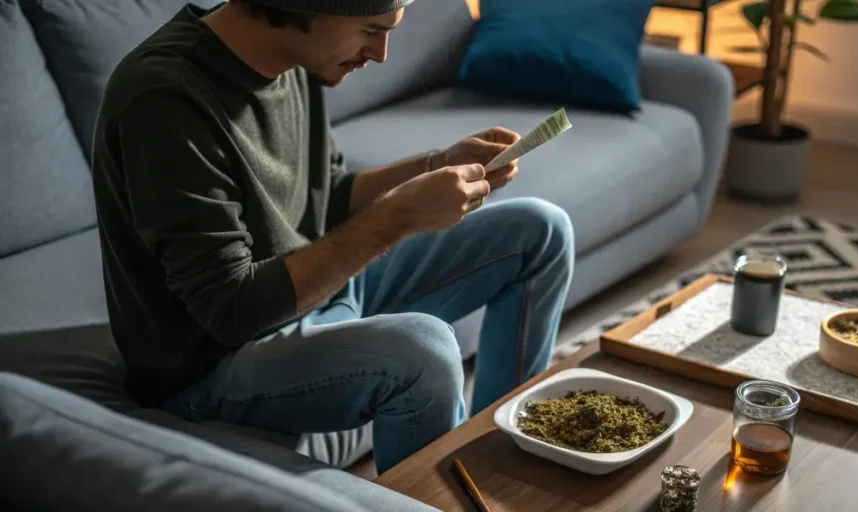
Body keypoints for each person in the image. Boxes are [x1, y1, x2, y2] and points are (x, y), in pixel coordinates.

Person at [90, 0, 574, 474]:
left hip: (314, 293)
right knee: (423, 351)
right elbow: (231, 310)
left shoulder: (295, 57)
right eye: (370, 31)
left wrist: (435, 164)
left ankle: (510, 466)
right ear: (304, 9)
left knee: (540, 230)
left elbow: (328, 193)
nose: (381, 53)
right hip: (212, 363)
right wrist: (396, 218)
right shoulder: (164, 99)